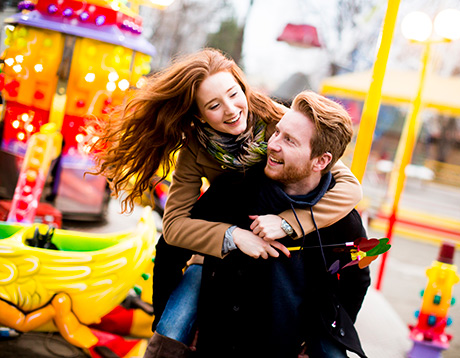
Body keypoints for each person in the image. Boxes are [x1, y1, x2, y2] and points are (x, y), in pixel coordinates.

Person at [90, 49, 362, 356]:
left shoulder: (275, 119)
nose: (232, 110)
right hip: (219, 242)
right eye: (214, 105)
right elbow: (175, 228)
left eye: (234, 95)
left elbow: (347, 185)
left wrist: (289, 222)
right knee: (175, 319)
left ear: (243, 87)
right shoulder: (197, 149)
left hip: (277, 238)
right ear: (199, 114)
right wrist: (233, 236)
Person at [184, 91, 370, 357]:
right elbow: (176, 239)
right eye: (277, 133)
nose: (273, 144)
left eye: (290, 140)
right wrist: (185, 317)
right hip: (217, 345)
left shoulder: (344, 221)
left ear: (321, 161)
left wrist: (324, 334)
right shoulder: (235, 188)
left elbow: (357, 279)